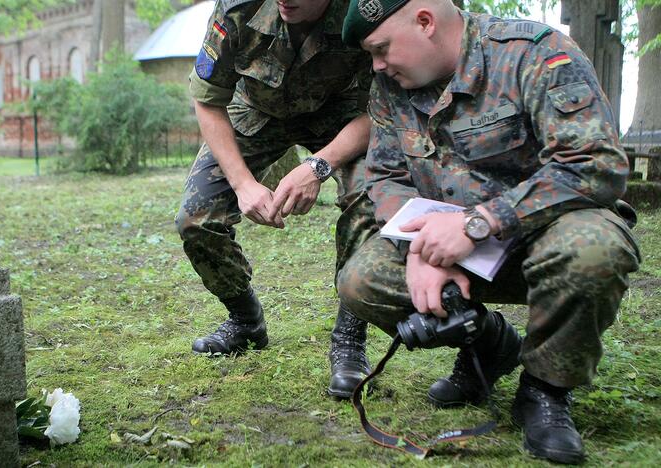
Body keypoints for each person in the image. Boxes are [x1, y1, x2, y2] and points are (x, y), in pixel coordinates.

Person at [339, 0, 641, 463]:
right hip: (453, 243)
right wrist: (420, 246)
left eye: (381, 49)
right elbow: (384, 177)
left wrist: (479, 223)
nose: (377, 64)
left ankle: (545, 391)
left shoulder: (533, 54)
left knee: (593, 250)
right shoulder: (390, 87)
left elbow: (594, 165)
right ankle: (490, 343)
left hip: (549, 229)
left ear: (425, 22)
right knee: (363, 281)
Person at [175, 0, 379, 398]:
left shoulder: (366, 8)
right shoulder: (239, 7)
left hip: (343, 119)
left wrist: (319, 166)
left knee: (371, 202)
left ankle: (350, 342)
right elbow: (208, 98)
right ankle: (245, 321)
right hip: (255, 110)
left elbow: (386, 108)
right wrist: (243, 184)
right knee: (195, 219)